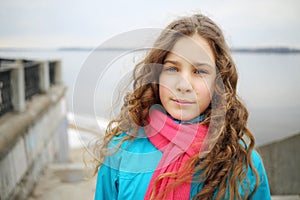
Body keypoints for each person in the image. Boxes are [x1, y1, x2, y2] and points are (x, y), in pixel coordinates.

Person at [93, 13, 271, 200]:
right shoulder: (121, 151)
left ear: (217, 82)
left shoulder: (243, 162)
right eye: (172, 69)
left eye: (200, 71)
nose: (183, 85)